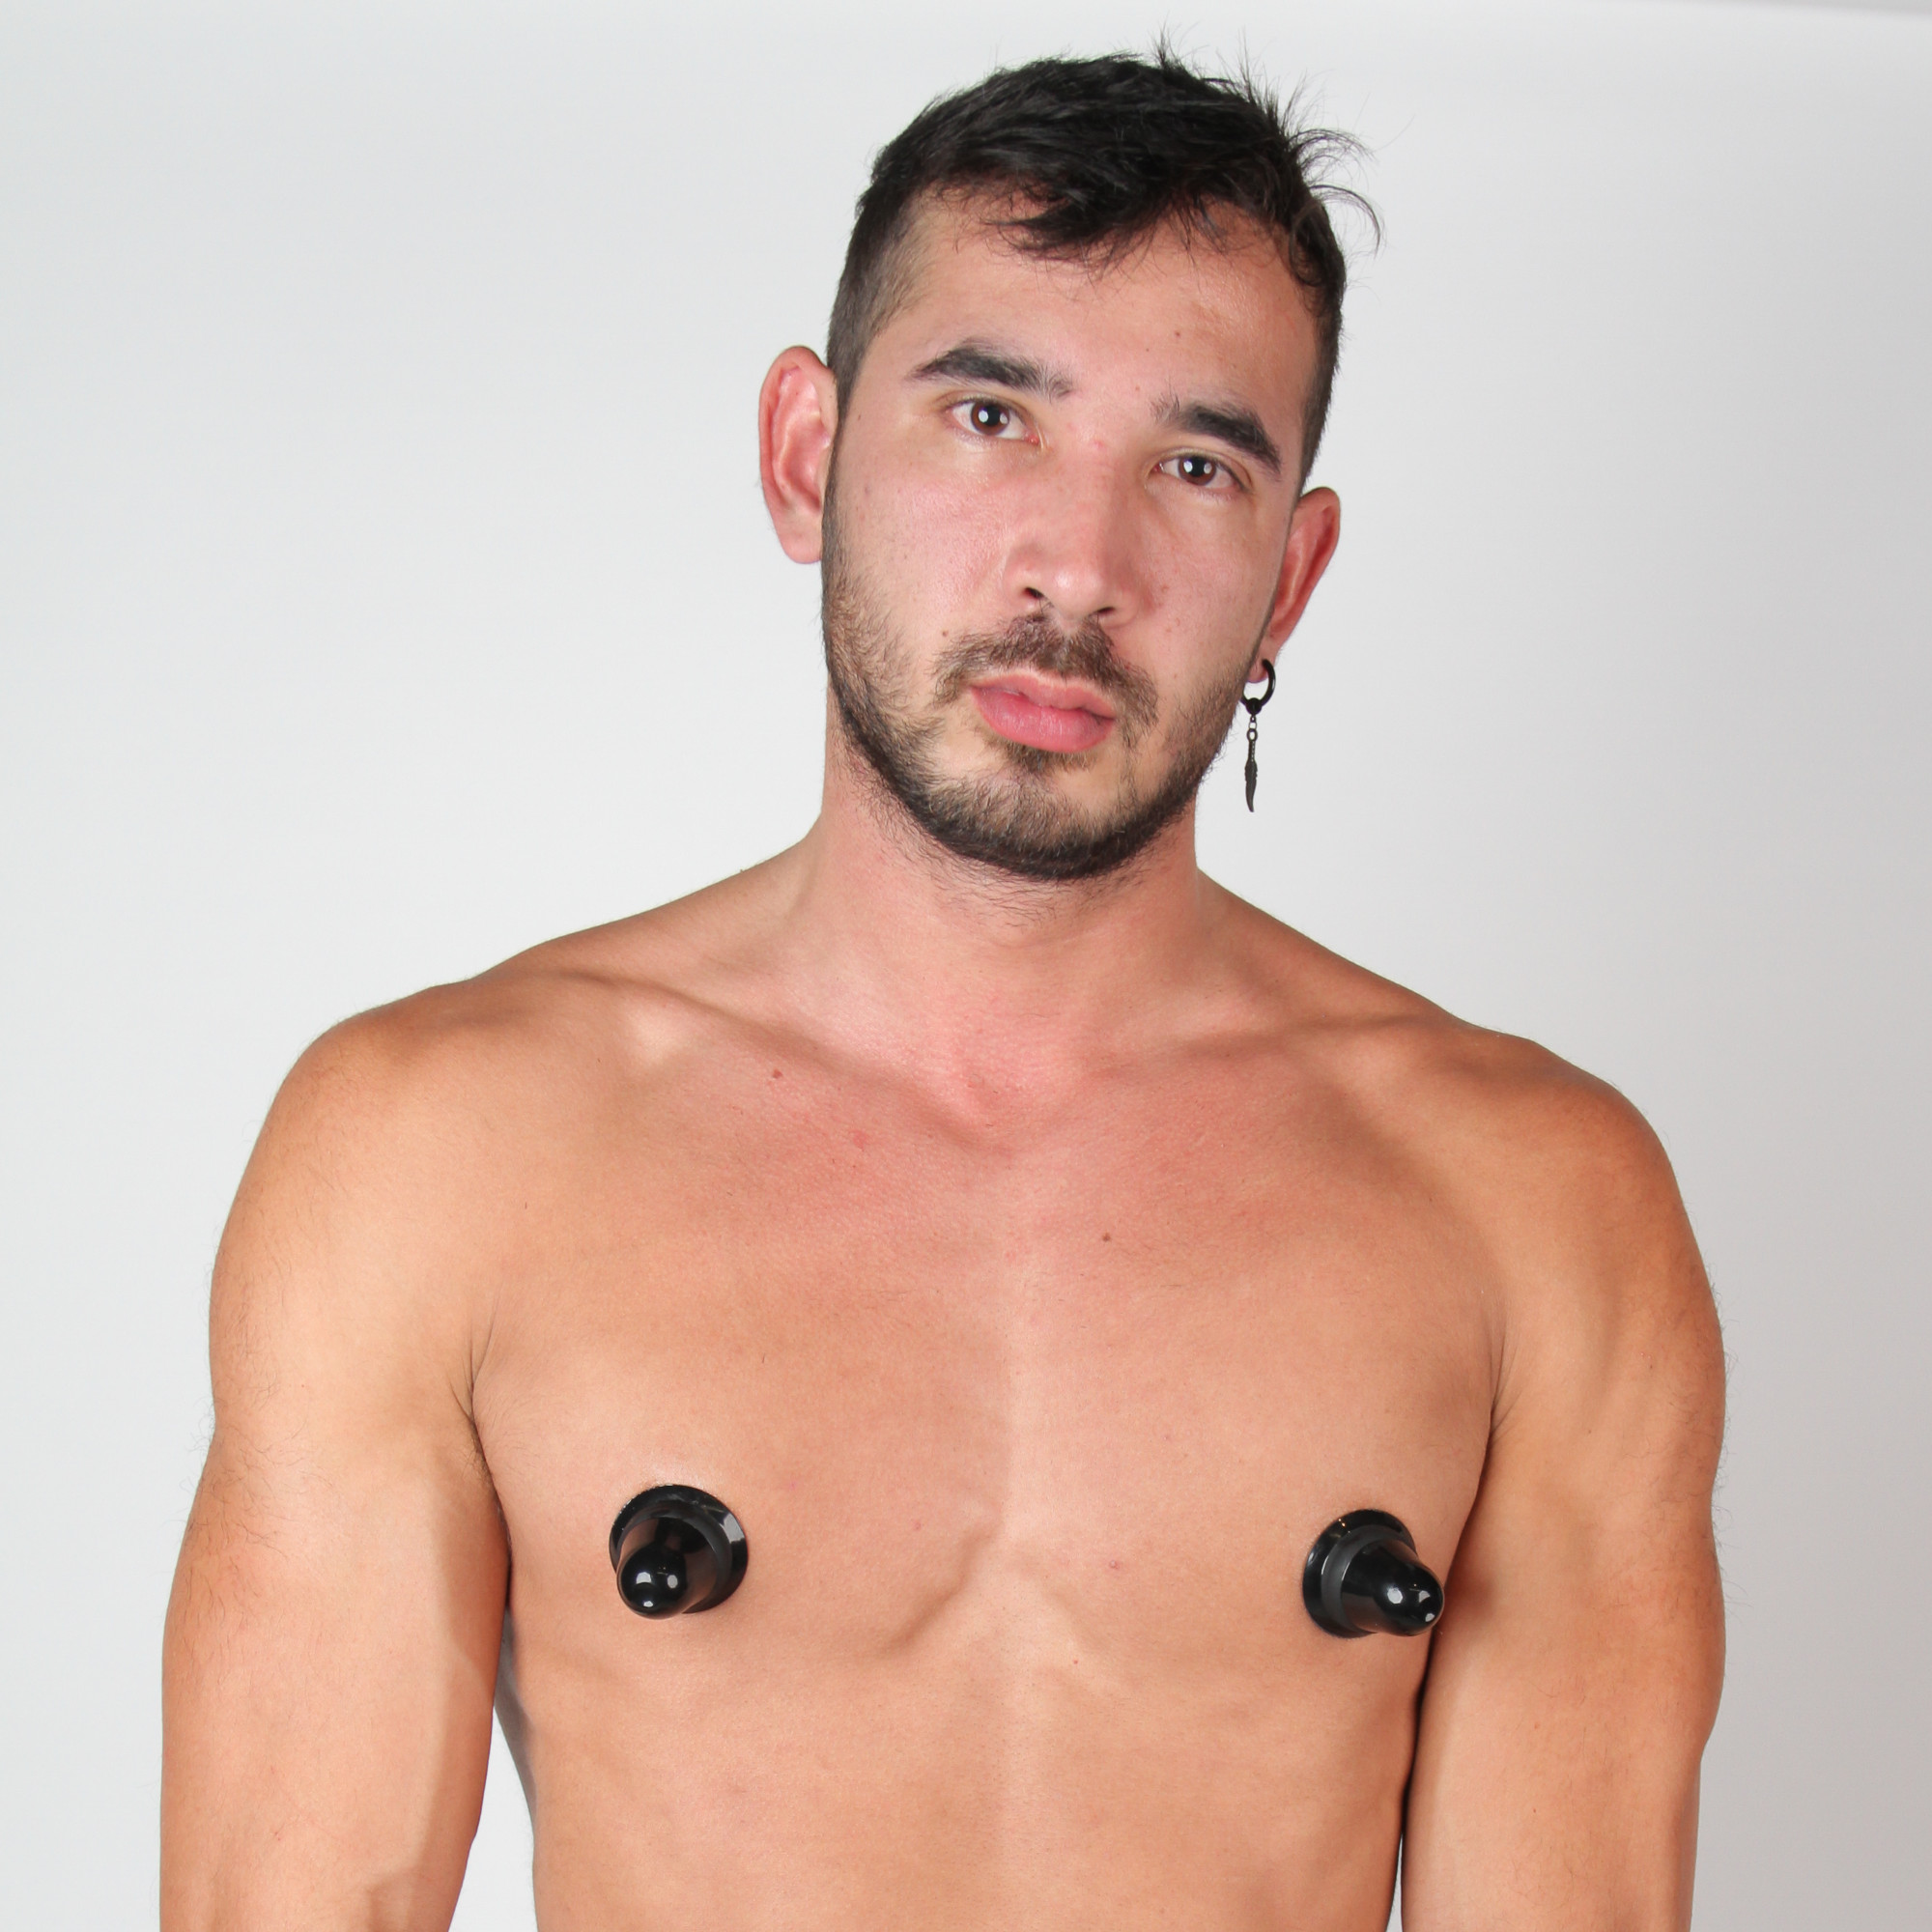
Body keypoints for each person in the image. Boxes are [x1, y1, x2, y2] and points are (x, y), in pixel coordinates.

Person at [161, 48, 1724, 1931]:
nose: (1078, 565)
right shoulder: (437, 1154)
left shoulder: (1532, 1205)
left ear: (1290, 578)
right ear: (805, 456)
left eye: (1196, 466)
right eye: (990, 417)